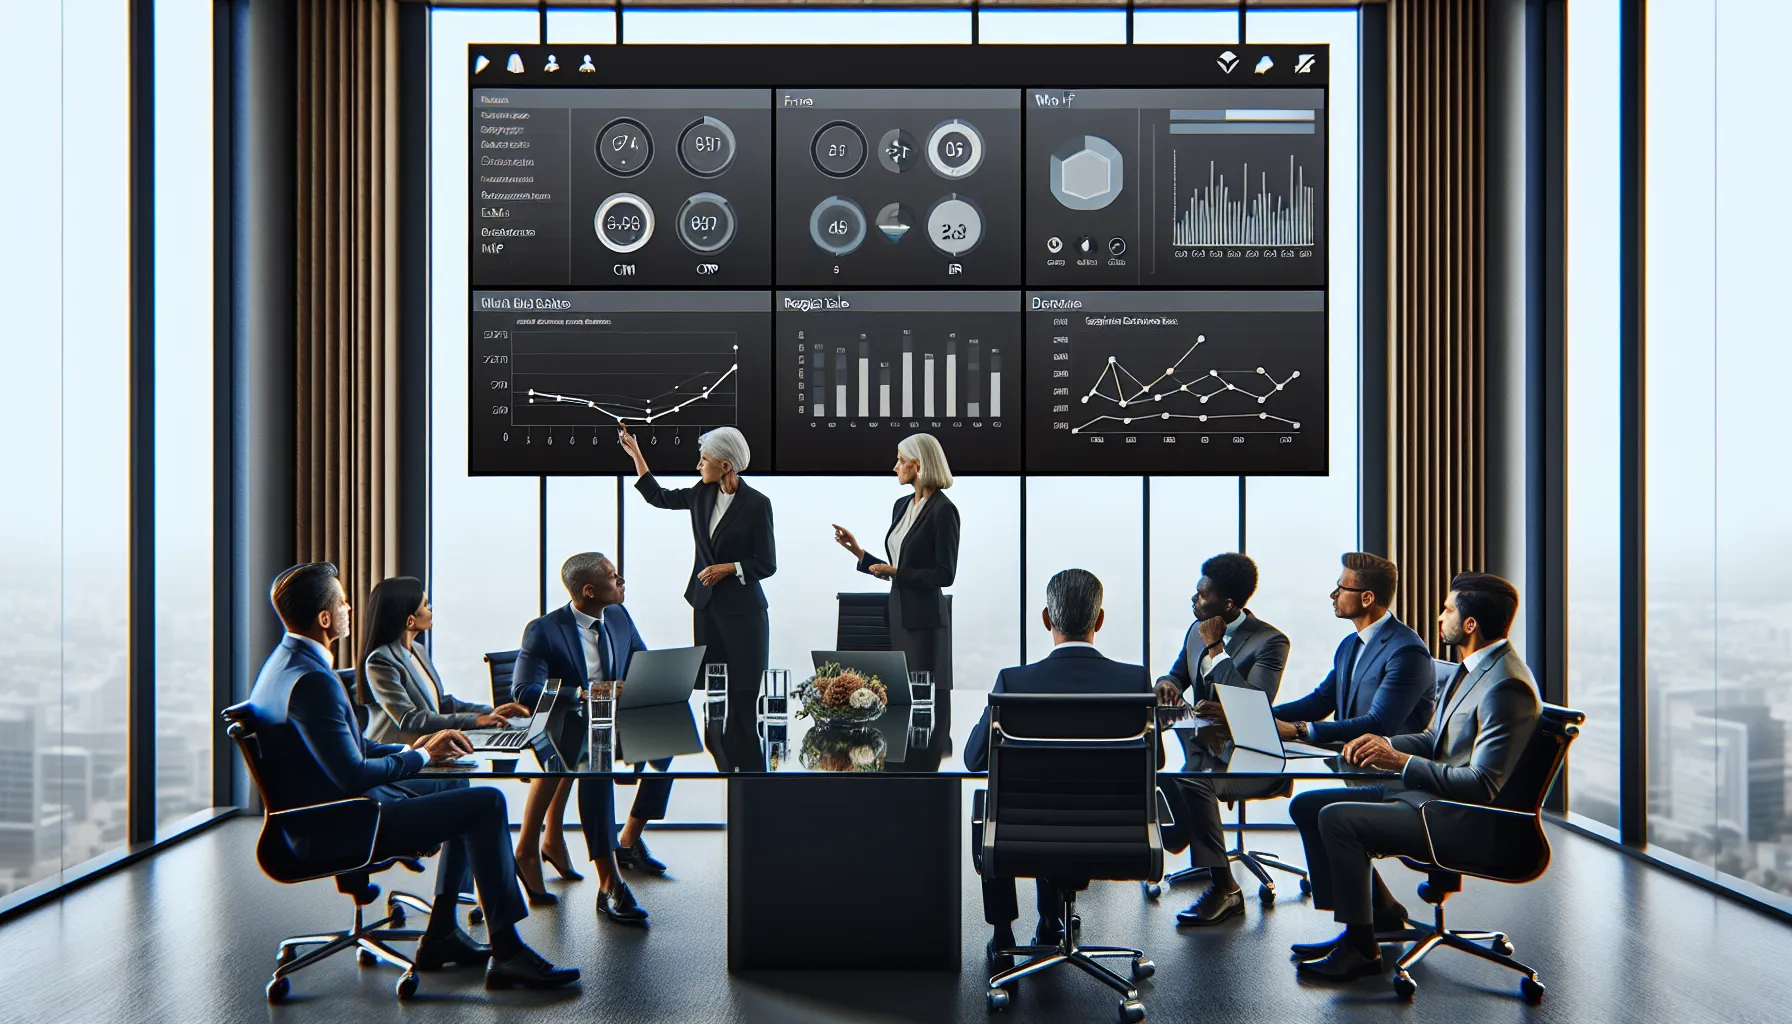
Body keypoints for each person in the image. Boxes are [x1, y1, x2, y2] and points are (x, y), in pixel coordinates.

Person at [245, 562, 577, 989]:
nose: (350, 608)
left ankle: (441, 933)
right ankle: (508, 950)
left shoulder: (283, 665)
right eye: (343, 602)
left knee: (459, 781)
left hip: (327, 807)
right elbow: (352, 773)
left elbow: (355, 750)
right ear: (325, 619)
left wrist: (414, 750)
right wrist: (419, 759)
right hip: (349, 818)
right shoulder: (314, 680)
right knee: (488, 802)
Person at [1288, 572, 1540, 983]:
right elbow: (1433, 737)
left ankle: (1361, 947)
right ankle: (1380, 916)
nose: (1440, 618)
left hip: (1459, 815)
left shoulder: (1506, 686)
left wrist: (1399, 762)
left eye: (1447, 610)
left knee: (1337, 819)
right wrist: (1383, 743)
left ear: (1470, 624)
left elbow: (1481, 784)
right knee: (1307, 805)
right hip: (1427, 797)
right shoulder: (1473, 667)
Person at [965, 569, 1152, 971]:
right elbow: (1157, 764)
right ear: (1099, 620)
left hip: (1027, 836)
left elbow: (973, 760)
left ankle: (1003, 936)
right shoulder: (1134, 681)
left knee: (990, 805)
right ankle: (1050, 923)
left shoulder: (1014, 682)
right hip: (1112, 837)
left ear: (1047, 619)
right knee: (1058, 798)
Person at [513, 552, 669, 925]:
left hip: (609, 720)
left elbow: (641, 663)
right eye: (614, 577)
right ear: (588, 590)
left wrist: (654, 686)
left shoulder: (618, 616)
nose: (621, 581)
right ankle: (610, 883)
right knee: (596, 765)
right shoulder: (545, 630)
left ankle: (628, 840)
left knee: (665, 744)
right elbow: (522, 690)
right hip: (567, 727)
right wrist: (582, 693)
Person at [618, 423, 775, 756]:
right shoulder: (701, 493)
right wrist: (637, 455)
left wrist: (730, 568)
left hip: (745, 613)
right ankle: (719, 759)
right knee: (714, 691)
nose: (699, 465)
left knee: (745, 693)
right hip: (706, 607)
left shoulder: (757, 504)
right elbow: (658, 497)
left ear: (726, 465)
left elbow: (767, 563)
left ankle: (748, 770)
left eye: (704, 460)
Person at [1152, 553, 1291, 926]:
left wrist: (1217, 648)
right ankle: (1186, 835)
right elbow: (1176, 675)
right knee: (1165, 774)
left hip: (1252, 759)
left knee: (1192, 783)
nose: (1194, 601)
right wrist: (1166, 684)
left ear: (1228, 604)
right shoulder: (1194, 630)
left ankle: (1226, 889)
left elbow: (1257, 703)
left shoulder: (1270, 642)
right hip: (1203, 752)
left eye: (1202, 595)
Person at [831, 432, 961, 689]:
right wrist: (858, 552)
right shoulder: (901, 505)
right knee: (901, 693)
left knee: (923, 696)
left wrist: (897, 572)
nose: (895, 467)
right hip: (898, 614)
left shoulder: (944, 510)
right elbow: (898, 566)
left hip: (925, 623)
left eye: (900, 461)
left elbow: (944, 575)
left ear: (918, 464)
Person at [357, 577, 532, 746]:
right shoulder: (380, 661)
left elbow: (442, 704)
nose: (430, 610)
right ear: (410, 621)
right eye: (426, 605)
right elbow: (410, 719)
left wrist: (490, 712)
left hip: (428, 748)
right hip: (397, 754)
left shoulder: (418, 650)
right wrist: (476, 721)